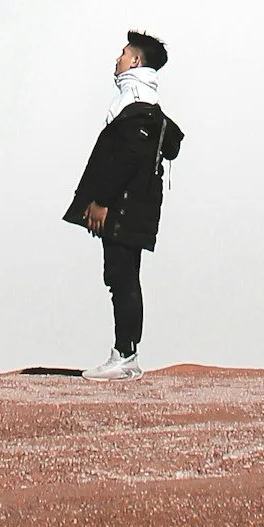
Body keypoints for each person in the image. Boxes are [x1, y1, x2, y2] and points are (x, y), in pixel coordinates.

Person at [62, 31, 184, 379]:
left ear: (135, 61)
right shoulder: (146, 102)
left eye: (123, 53)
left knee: (122, 277)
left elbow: (126, 158)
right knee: (124, 276)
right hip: (135, 205)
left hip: (126, 206)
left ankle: (125, 356)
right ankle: (126, 354)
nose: (117, 58)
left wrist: (100, 201)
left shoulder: (135, 102)